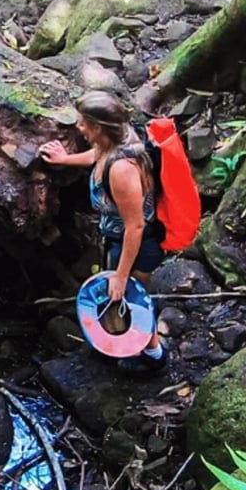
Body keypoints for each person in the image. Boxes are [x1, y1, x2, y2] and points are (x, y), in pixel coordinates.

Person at [39, 92, 169, 374]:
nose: (79, 128)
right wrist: (65, 159)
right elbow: (97, 156)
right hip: (116, 238)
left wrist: (120, 276)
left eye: (83, 124)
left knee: (135, 300)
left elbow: (135, 226)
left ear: (98, 127)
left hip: (137, 244)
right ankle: (129, 343)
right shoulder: (116, 138)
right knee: (122, 297)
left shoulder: (122, 169)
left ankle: (154, 354)